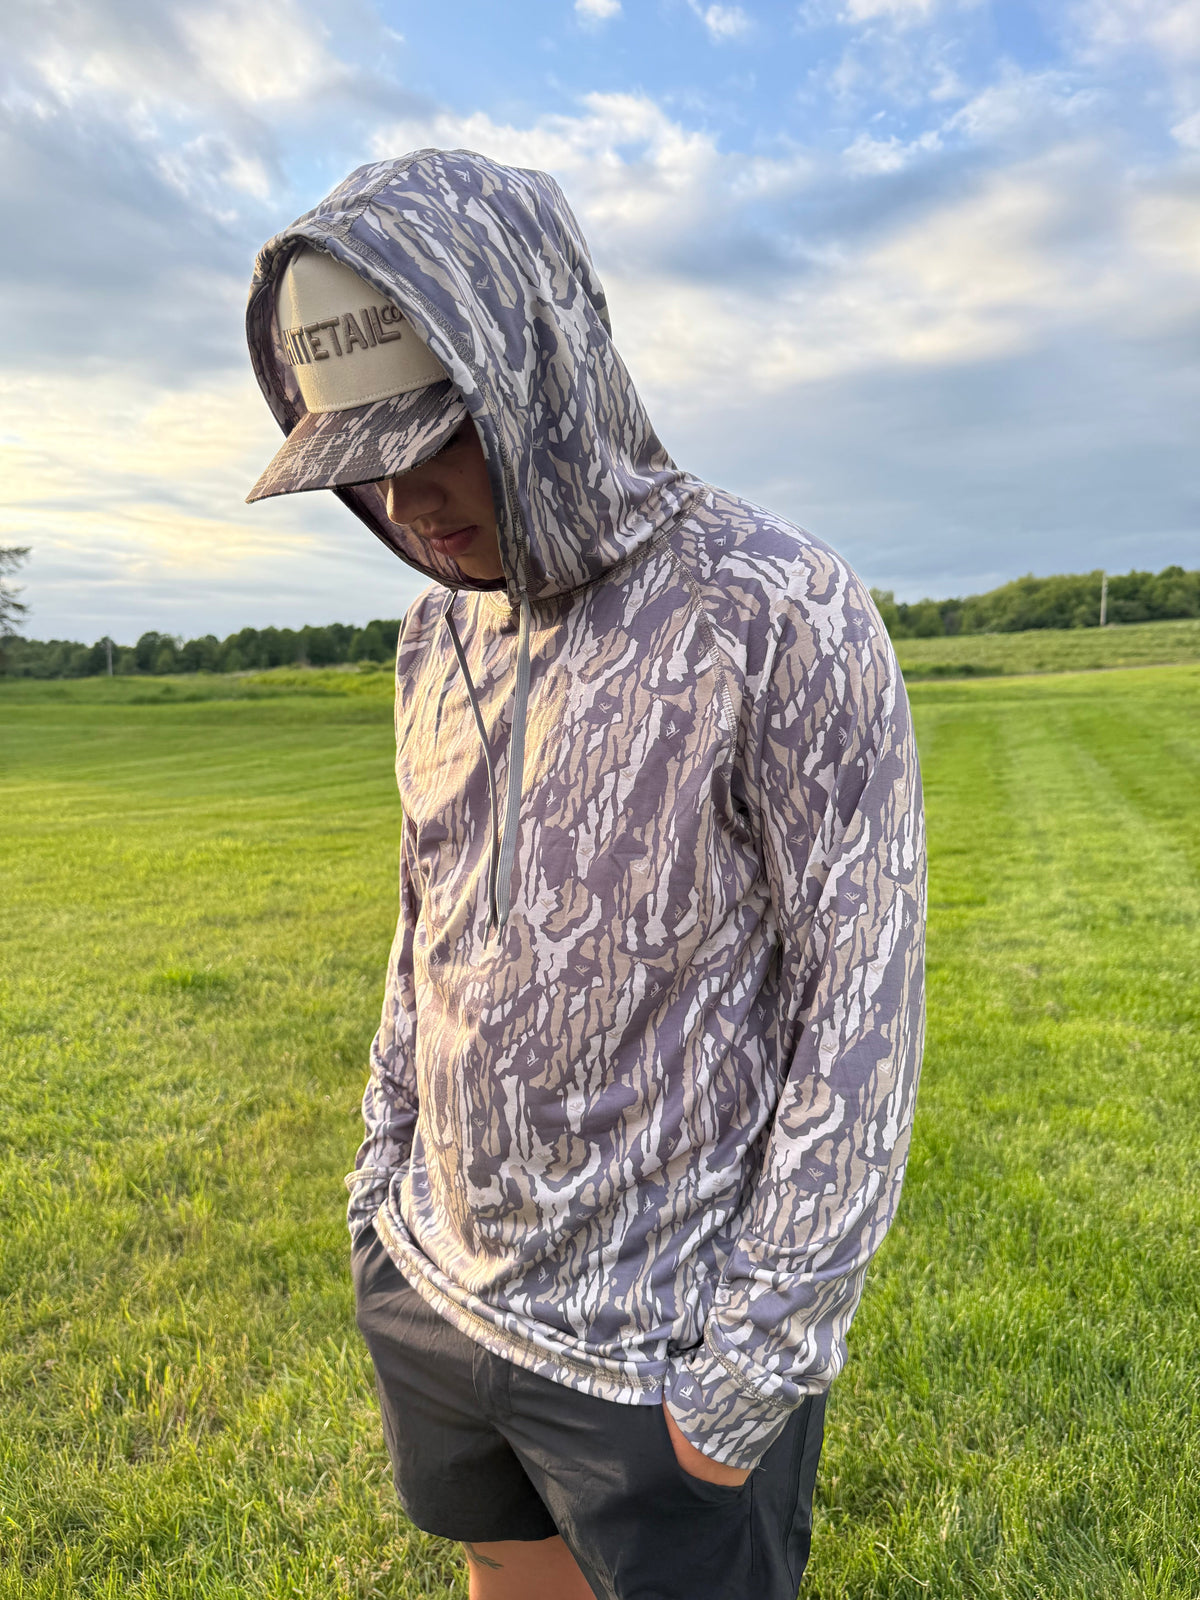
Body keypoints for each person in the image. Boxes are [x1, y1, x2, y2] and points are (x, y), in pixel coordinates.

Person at [245, 148, 926, 1600]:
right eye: (362, 456)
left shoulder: (778, 609)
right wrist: (379, 1195)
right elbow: (427, 920)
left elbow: (860, 1015)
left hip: (656, 1355)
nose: (405, 497)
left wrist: (742, 1380)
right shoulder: (436, 635)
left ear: (543, 376)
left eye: (442, 434)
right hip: (437, 1294)